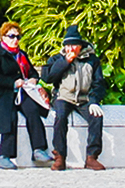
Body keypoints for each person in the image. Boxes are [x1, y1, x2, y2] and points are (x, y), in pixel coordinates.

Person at [0, 22, 52, 169]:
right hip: (1, 94)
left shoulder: (22, 55)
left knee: (32, 110)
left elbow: (32, 72)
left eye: (18, 37)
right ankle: (3, 156)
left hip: (22, 93)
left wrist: (33, 79)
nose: (15, 40)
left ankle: (39, 149)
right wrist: (13, 83)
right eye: (11, 36)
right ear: (3, 38)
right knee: (9, 118)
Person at [41, 25, 106, 171]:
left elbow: (99, 83)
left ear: (80, 46)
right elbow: (47, 77)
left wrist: (94, 100)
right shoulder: (57, 58)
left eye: (74, 45)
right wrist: (65, 62)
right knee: (61, 117)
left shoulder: (92, 60)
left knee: (96, 117)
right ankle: (60, 157)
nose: (71, 49)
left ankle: (92, 157)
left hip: (85, 98)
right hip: (64, 97)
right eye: (68, 45)